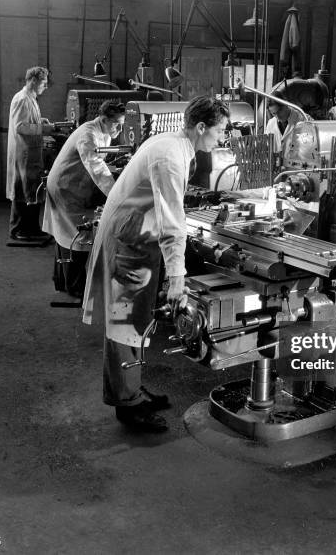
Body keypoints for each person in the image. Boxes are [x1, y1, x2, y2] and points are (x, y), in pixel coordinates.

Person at [82, 95, 230, 432]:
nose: (221, 138)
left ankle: (131, 387)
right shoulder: (170, 156)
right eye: (220, 131)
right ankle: (127, 404)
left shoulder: (176, 145)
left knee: (137, 319)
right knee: (124, 321)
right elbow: (171, 223)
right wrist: (177, 276)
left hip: (136, 234)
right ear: (202, 127)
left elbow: (168, 202)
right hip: (128, 238)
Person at [42, 101, 124, 298]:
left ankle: (62, 281)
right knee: (78, 236)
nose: (120, 129)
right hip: (66, 188)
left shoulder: (103, 132)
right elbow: (96, 166)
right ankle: (76, 287)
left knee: (65, 235)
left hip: (72, 185)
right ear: (104, 119)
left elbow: (101, 161)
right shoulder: (88, 134)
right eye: (117, 124)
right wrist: (117, 196)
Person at [6, 66, 55, 241]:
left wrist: (40, 121)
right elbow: (20, 127)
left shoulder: (30, 98)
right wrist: (44, 128)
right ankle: (19, 230)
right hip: (24, 154)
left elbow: (27, 121)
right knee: (23, 191)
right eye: (43, 82)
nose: (45, 86)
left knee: (33, 191)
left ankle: (32, 228)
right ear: (33, 80)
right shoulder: (22, 99)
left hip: (31, 153)